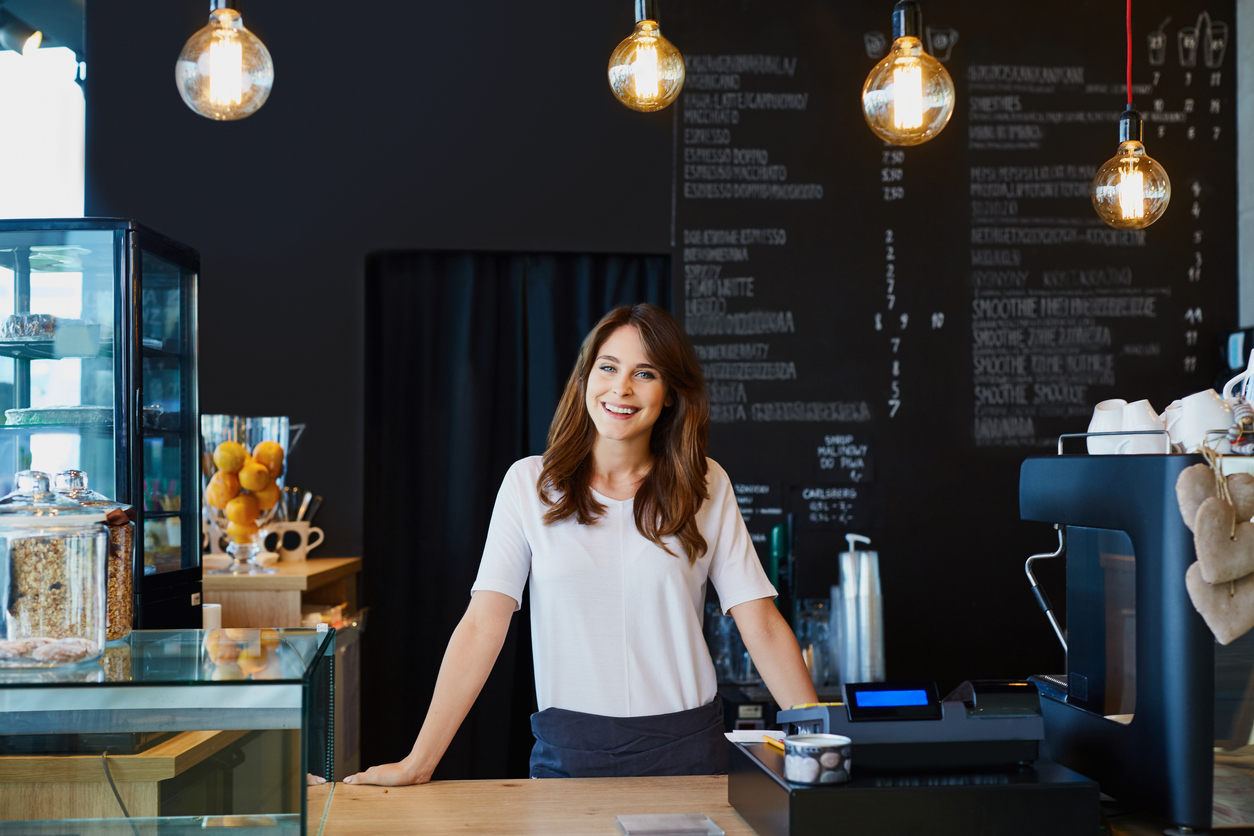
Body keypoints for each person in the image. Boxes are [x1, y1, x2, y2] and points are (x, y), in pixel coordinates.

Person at [345, 303, 816, 784]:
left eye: (645, 373)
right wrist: (417, 763)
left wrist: (817, 744)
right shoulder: (529, 484)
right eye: (608, 368)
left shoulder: (705, 484)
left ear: (671, 392)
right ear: (585, 378)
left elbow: (760, 622)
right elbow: (482, 627)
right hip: (570, 756)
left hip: (690, 752)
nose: (621, 388)